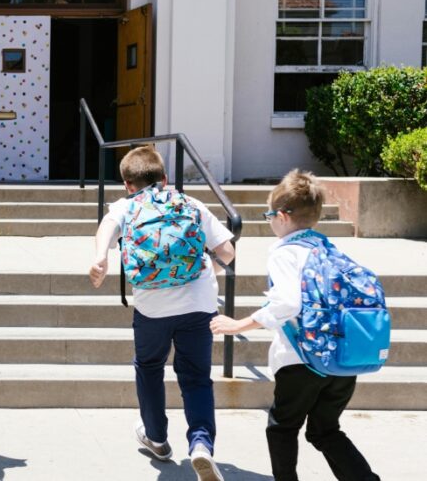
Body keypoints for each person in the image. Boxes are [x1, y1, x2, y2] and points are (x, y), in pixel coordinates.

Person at [211, 170, 381, 481]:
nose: (269, 221)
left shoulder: (284, 252)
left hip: (300, 360)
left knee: (282, 428)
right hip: (342, 359)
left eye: (268, 214)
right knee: (325, 430)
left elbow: (288, 302)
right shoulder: (329, 249)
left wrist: (238, 325)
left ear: (283, 216)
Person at [88, 145, 234, 481]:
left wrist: (101, 258)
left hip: (152, 307)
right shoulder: (191, 204)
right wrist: (208, 269)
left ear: (127, 184)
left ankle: (156, 437)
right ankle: (200, 445)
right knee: (196, 376)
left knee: (150, 367)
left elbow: (105, 230)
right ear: (165, 178)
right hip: (199, 305)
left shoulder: (126, 206)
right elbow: (228, 250)